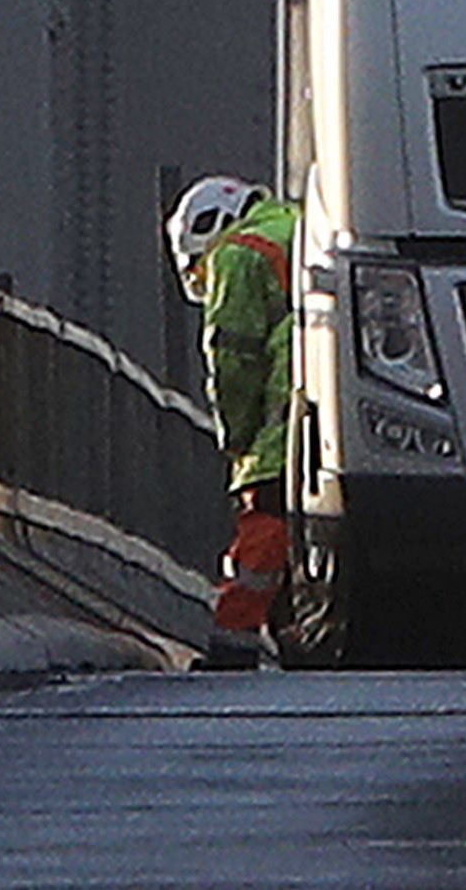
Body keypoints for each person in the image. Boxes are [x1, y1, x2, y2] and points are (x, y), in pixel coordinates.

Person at [168, 175, 300, 667]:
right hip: (329, 393)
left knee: (266, 513)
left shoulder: (237, 254)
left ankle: (235, 640)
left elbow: (234, 357)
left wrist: (236, 434)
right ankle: (295, 633)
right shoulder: (293, 223)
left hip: (284, 400)